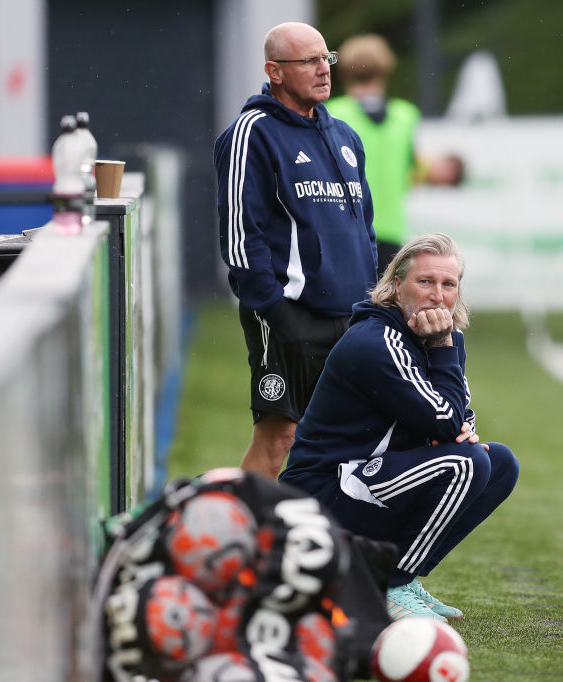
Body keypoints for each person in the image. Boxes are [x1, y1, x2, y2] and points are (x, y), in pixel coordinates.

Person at [279, 233, 519, 622]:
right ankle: (388, 584)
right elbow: (444, 419)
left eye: (448, 284)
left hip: (369, 482)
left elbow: (460, 418)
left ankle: (404, 582)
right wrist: (443, 351)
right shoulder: (378, 341)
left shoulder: (444, 338)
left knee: (501, 462)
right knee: (466, 463)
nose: (437, 295)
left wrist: (453, 407)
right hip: (322, 496)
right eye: (424, 282)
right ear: (396, 287)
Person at [213, 22, 378, 480]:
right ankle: (240, 540)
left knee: (353, 439)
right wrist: (273, 309)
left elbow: (364, 227)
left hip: (353, 316)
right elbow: (240, 232)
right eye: (309, 61)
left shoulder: (346, 136)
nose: (323, 70)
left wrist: (373, 303)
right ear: (275, 71)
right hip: (289, 313)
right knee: (279, 437)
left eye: (327, 58)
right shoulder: (252, 132)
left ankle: (326, 541)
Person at [326, 35, 463, 277]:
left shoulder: (333, 113)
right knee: (382, 308)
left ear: (344, 72)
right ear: (385, 71)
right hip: (389, 230)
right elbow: (415, 169)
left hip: (342, 229)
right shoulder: (406, 116)